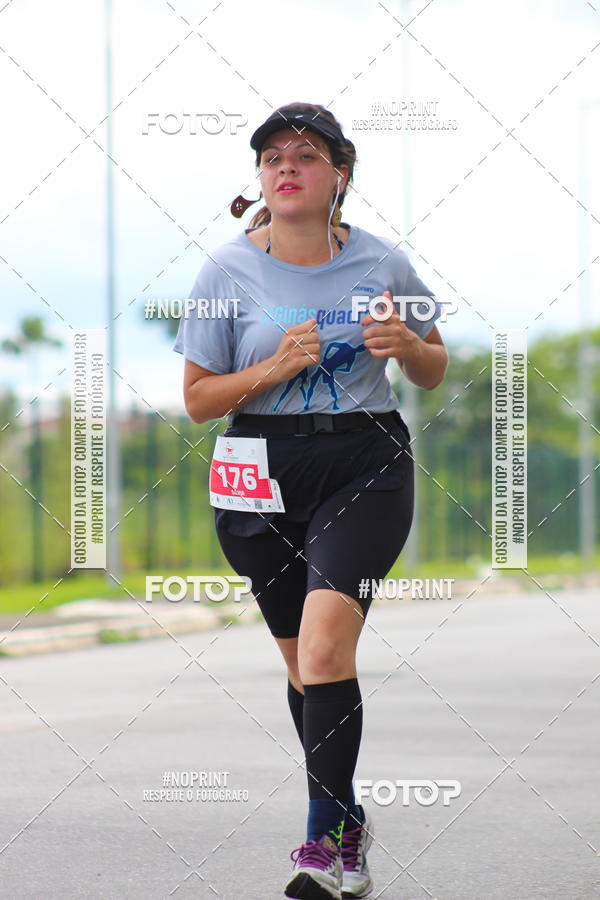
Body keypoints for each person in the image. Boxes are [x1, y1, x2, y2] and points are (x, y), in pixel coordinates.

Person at [173, 101, 448, 900]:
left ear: (339, 175)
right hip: (255, 465)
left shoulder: (384, 263)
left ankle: (322, 844)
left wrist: (411, 348)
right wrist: (270, 370)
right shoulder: (224, 271)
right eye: (271, 157)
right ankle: (347, 817)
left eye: (305, 155)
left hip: (364, 457)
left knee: (328, 648)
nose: (285, 167)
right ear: (261, 178)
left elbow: (433, 366)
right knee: (304, 668)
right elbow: (197, 400)